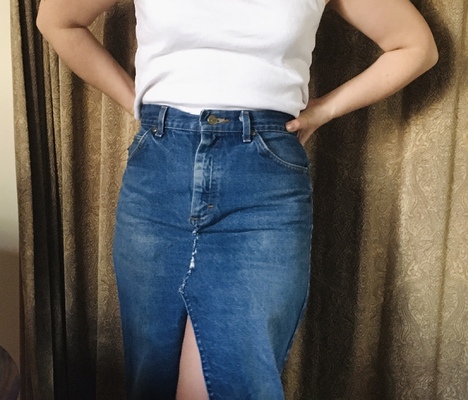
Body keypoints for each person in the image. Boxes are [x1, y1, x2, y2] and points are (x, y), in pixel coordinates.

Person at [36, 0, 438, 398]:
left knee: (239, 382)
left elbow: (415, 46)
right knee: (152, 379)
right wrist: (135, 101)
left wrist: (325, 109)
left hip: (263, 187)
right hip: (158, 176)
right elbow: (56, 19)